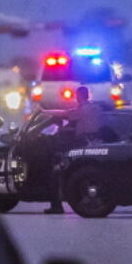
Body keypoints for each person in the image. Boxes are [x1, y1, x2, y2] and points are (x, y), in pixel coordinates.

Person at [44, 85, 101, 214]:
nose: (76, 97)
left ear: (79, 96)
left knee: (55, 174)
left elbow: (64, 114)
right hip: (94, 145)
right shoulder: (95, 108)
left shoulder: (82, 110)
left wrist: (44, 111)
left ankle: (57, 206)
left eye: (77, 95)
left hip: (82, 146)